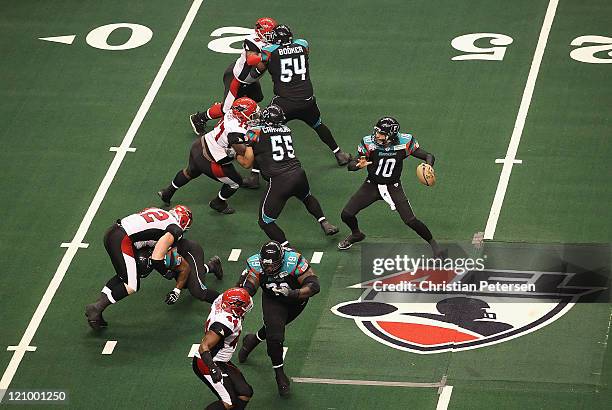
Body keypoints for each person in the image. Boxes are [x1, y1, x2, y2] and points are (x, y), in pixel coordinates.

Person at [241, 24, 351, 189]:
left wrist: (261, 61)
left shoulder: (269, 51)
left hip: (284, 102)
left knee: (262, 131)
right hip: (307, 99)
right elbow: (301, 51)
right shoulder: (302, 45)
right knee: (318, 124)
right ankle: (339, 154)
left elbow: (256, 72)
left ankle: (254, 176)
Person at [338, 117, 444, 257]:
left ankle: (434, 245)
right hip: (372, 184)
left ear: (391, 135)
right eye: (377, 132)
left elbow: (428, 156)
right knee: (346, 214)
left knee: (410, 220)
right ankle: (356, 234)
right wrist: (357, 165)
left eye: (381, 133)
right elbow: (351, 165)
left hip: (393, 186)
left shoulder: (404, 143)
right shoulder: (369, 143)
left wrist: (429, 165)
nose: (377, 135)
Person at [241, 104, 338, 247]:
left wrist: (240, 151)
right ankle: (324, 222)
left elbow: (248, 160)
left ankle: (288, 249)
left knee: (265, 221)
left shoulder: (254, 132)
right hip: (298, 173)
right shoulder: (287, 129)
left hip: (279, 179)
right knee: (307, 197)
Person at [85, 205, 192, 329]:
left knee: (124, 276)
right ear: (183, 222)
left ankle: (96, 312)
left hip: (114, 232)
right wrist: (166, 273)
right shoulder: (175, 229)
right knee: (132, 285)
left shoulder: (157, 211)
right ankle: (97, 308)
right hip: (123, 239)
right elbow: (157, 258)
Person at [237, 241, 320, 396]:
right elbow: (250, 285)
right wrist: (243, 293)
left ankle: (252, 340)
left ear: (281, 260)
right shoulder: (255, 263)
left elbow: (314, 285)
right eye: (265, 265)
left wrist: (294, 293)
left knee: (274, 327)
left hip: (297, 300)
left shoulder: (293, 261)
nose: (268, 269)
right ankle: (279, 375)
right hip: (273, 300)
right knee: (275, 337)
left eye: (272, 265)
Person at [158, 97, 259, 214]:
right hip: (210, 160)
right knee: (236, 182)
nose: (255, 117)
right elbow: (246, 162)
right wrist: (252, 140)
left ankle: (167, 192)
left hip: (200, 145)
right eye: (253, 115)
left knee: (190, 171)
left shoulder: (231, 112)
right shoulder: (235, 131)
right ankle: (218, 203)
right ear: (241, 115)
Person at [189, 17, 277, 135]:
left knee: (257, 98)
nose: (272, 35)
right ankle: (199, 118)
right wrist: (266, 56)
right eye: (270, 32)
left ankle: (229, 105)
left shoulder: (271, 42)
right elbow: (251, 60)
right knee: (226, 110)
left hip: (250, 80)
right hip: (236, 80)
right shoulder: (252, 41)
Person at [193, 287, 254, 409]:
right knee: (229, 402)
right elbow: (204, 346)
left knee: (245, 392)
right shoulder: (225, 323)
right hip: (208, 362)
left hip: (221, 361)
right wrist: (213, 368)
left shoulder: (221, 299)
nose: (245, 309)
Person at [135, 238, 223, 304]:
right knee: (185, 283)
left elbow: (185, 268)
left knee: (198, 291)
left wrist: (176, 291)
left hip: (190, 251)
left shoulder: (166, 258)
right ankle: (212, 266)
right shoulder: (147, 252)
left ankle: (226, 303)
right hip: (176, 253)